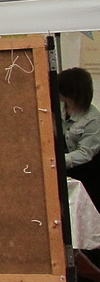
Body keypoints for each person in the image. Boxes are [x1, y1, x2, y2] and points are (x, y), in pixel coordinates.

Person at [61, 67, 100, 205]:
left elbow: (85, 153)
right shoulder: (58, 108)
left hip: (87, 172)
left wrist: (57, 161)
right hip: (64, 169)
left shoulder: (93, 118)